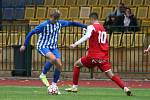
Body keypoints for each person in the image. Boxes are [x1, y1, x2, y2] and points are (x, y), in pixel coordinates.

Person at [65, 12, 132, 96]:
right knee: (111, 75)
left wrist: (75, 44)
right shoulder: (102, 28)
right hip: (103, 57)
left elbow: (87, 36)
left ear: (91, 19)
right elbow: (102, 42)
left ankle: (74, 87)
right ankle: (125, 88)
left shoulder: (91, 27)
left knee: (77, 64)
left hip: (93, 56)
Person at [20, 9, 87, 94]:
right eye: (54, 18)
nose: (56, 20)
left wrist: (84, 26)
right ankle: (43, 74)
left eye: (57, 19)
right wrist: (24, 45)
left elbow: (72, 23)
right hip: (43, 46)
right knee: (53, 59)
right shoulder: (43, 25)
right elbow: (31, 33)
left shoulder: (59, 23)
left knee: (59, 65)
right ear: (50, 17)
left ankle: (54, 85)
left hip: (53, 48)